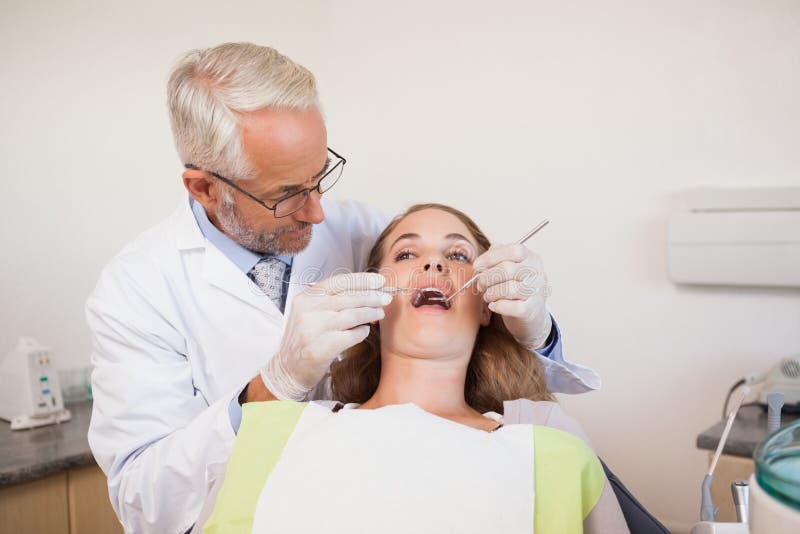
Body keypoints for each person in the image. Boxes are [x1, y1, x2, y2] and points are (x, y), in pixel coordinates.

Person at [86, 42, 600, 533]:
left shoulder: (359, 231)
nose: (317, 211)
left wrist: (535, 327)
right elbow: (145, 503)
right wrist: (273, 387)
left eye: (320, 175)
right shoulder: (136, 290)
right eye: (286, 194)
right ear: (204, 187)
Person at [202, 204, 627, 534]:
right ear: (372, 300)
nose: (434, 264)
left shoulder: (552, 448)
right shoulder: (276, 432)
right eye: (407, 253)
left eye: (457, 254)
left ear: (486, 306)